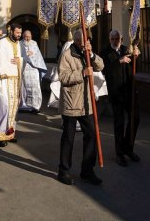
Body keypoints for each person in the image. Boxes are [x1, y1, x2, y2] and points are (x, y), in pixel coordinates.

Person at [57, 28, 104, 186]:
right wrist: (82, 73)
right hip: (71, 103)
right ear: (77, 41)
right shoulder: (67, 55)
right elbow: (63, 77)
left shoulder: (87, 54)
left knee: (91, 135)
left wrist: (91, 55)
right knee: (68, 138)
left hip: (86, 103)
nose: (87, 43)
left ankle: (87, 170)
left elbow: (101, 65)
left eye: (88, 40)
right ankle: (63, 171)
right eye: (84, 41)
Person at [102, 29, 141, 166]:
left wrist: (136, 56)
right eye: (112, 39)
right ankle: (119, 154)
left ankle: (128, 148)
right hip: (116, 93)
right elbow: (105, 70)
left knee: (135, 118)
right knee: (119, 123)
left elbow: (135, 67)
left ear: (121, 39)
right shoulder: (105, 52)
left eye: (117, 39)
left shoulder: (126, 49)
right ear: (109, 40)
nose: (115, 41)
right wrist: (119, 61)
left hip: (129, 91)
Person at [19, 30, 47, 112]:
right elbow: (18, 56)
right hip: (24, 68)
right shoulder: (19, 44)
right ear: (23, 36)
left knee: (35, 87)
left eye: (29, 37)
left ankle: (35, 106)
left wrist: (32, 55)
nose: (27, 38)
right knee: (23, 87)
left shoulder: (34, 43)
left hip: (34, 68)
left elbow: (38, 55)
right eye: (25, 37)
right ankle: (23, 105)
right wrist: (25, 55)